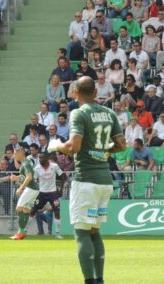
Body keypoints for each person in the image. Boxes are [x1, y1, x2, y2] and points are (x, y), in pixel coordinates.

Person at [47, 76, 126, 284]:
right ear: (95, 92)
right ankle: (99, 280)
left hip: (86, 180)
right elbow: (121, 145)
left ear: (75, 92)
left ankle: (89, 281)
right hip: (105, 181)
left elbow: (74, 147)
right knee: (94, 231)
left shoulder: (79, 113)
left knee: (81, 232)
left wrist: (56, 145)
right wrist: (103, 151)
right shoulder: (109, 113)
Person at [31, 154, 66, 239]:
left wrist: (61, 189)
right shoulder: (37, 168)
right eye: (39, 158)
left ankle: (57, 233)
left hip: (53, 193)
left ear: (47, 158)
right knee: (33, 210)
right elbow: (34, 180)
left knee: (57, 212)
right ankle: (24, 231)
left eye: (42, 157)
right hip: (41, 193)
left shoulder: (54, 166)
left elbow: (63, 175)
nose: (40, 159)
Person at [9, 148, 39, 240]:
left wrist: (20, 188)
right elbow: (25, 176)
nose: (14, 156)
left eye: (15, 154)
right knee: (25, 210)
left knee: (19, 208)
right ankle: (21, 232)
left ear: (20, 153)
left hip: (31, 189)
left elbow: (29, 177)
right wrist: (17, 177)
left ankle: (21, 232)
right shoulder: (25, 162)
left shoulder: (25, 163)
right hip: (34, 189)